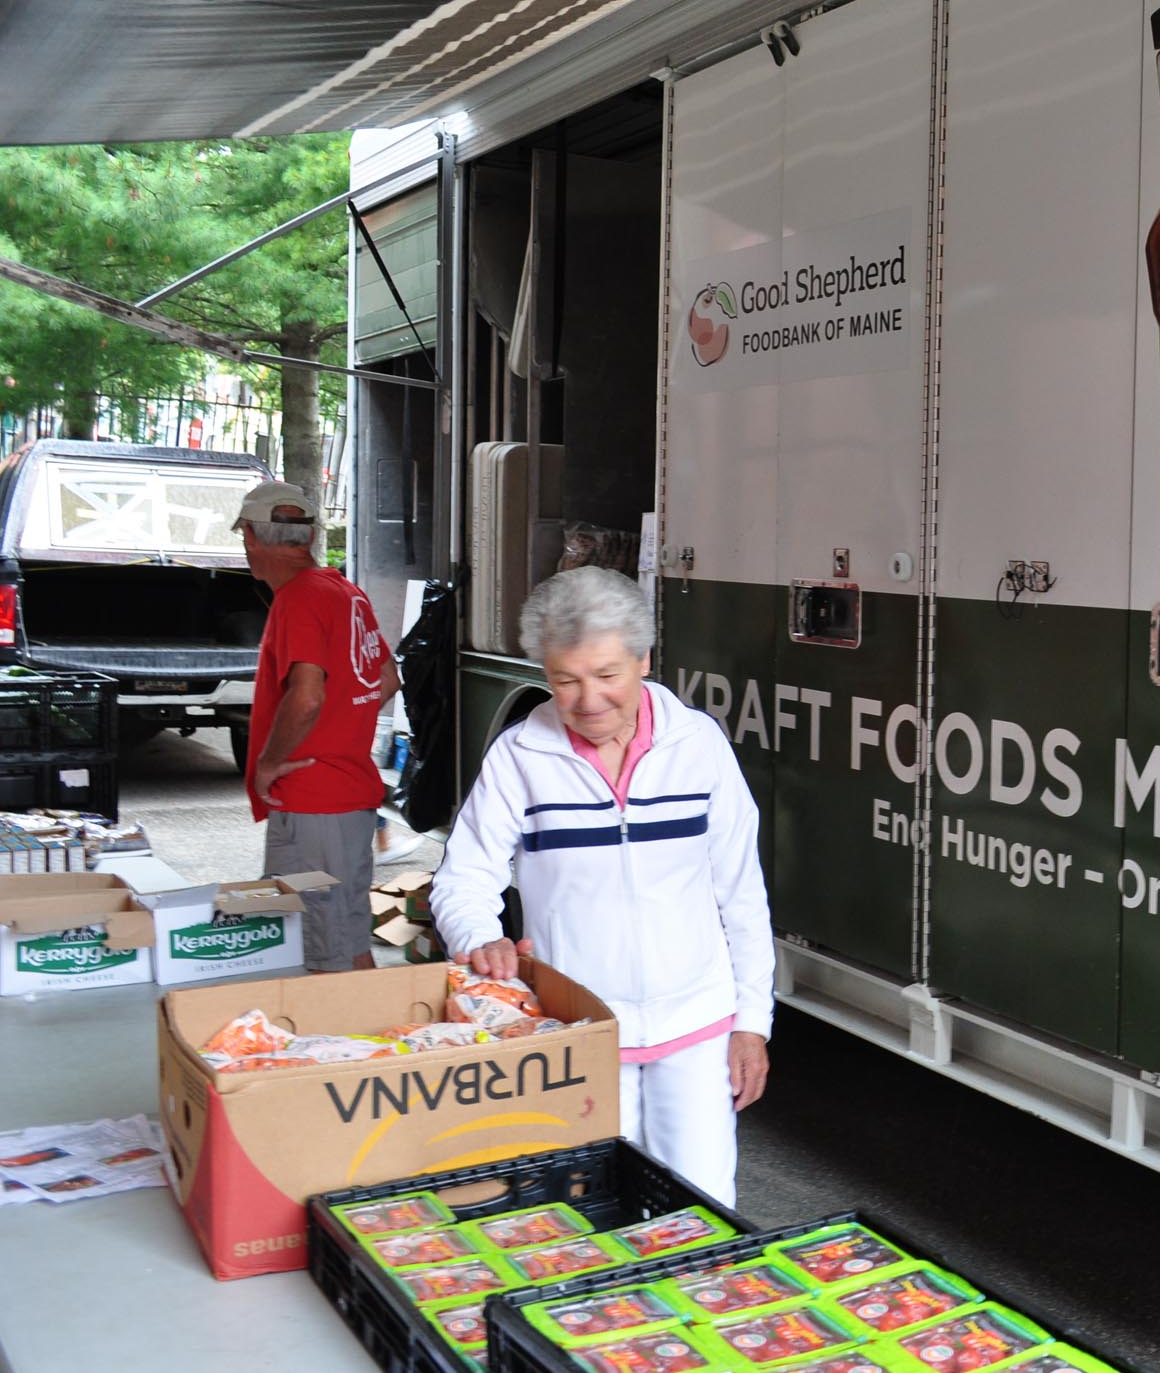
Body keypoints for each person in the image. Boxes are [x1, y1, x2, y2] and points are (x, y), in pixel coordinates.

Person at [429, 567, 772, 1206]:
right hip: (579, 1030)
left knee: (700, 1212)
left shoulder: (698, 747)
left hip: (695, 1025)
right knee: (587, 1214)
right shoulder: (520, 757)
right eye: (565, 680)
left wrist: (753, 1023)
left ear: (644, 659)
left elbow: (742, 896)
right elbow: (463, 877)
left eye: (608, 675)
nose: (588, 700)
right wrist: (482, 938)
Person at [235, 480, 398, 973]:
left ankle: (346, 1044)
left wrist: (269, 762)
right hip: (346, 793)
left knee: (319, 946)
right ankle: (380, 1041)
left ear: (251, 538)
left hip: (312, 797)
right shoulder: (343, 590)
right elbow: (387, 679)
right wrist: (343, 729)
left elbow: (306, 695)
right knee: (347, 937)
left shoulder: (298, 599)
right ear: (306, 537)